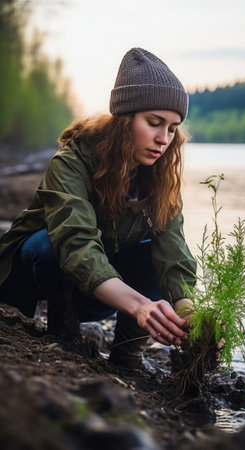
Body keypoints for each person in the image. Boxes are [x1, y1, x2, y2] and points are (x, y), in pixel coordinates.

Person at [0, 48, 197, 369]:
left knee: (152, 253)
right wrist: (140, 306)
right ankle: (63, 334)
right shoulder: (71, 162)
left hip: (103, 289)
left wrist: (191, 318)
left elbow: (174, 253)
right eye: (154, 123)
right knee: (47, 244)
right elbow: (76, 245)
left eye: (173, 128)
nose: (164, 139)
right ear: (124, 120)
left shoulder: (160, 178)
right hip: (37, 277)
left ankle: (127, 358)